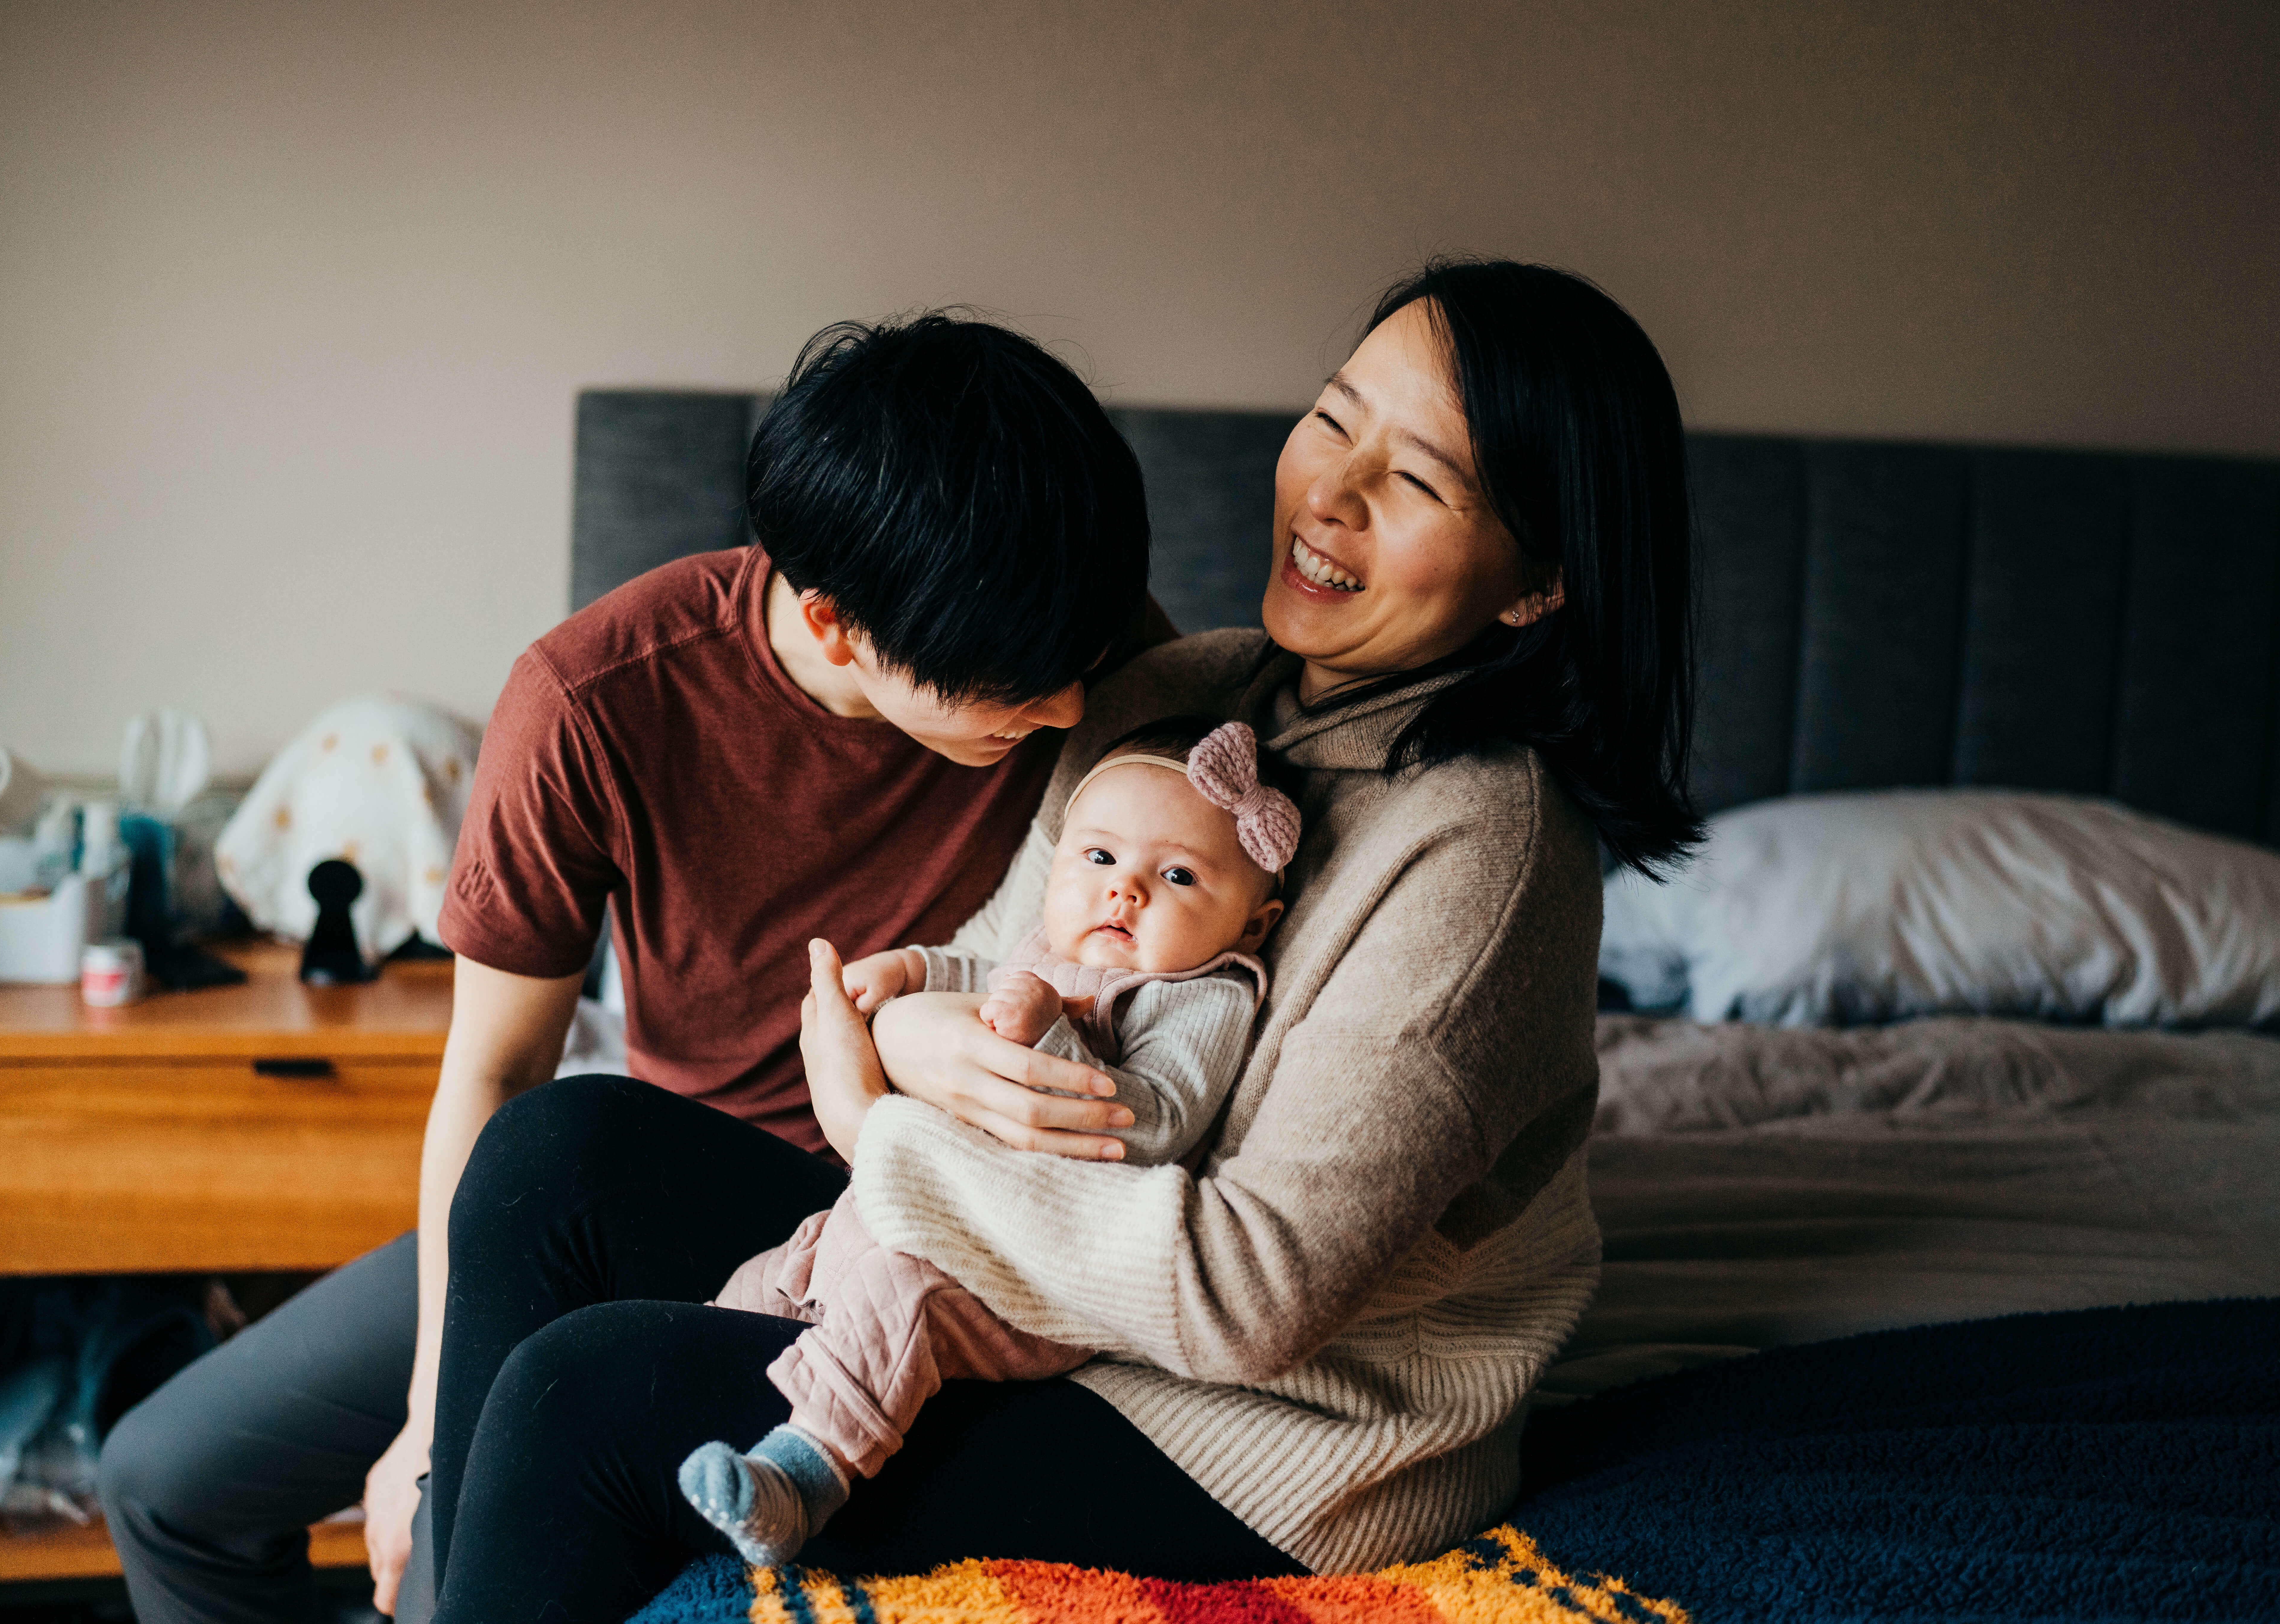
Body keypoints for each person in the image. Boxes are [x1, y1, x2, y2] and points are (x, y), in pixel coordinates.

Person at [421, 256, 1701, 1621]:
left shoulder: (1487, 850)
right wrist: (905, 1026)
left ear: (1537, 584)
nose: (1330, 494)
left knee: (586, 1398)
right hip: (1032, 1301)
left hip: (1255, 1433)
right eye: (1334, 419)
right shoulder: (1181, 691)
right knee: (557, 1152)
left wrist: (883, 1126)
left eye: (1423, 480)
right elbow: (977, 964)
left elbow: (1250, 1295)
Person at [96, 311, 1160, 1624]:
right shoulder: (594, 701)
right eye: (1015, 687)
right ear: (834, 622)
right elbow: (492, 1071)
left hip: (905, 1236)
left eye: (1081, 670)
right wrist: (430, 1411)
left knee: (455, 1561)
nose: (1066, 711)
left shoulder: (1089, 653)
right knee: (159, 1476)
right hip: (651, 1198)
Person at [679, 716, 1301, 1567]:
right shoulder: (1053, 946)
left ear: (1253, 925)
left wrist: (1052, 1035)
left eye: (1180, 875)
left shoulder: (1200, 997)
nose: (1125, 893)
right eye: (1100, 859)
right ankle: (692, 1413)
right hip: (923, 1212)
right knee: (775, 1275)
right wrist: (905, 974)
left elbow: (1154, 1124)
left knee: (900, 1299)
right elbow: (970, 971)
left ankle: (803, 1479)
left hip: (1030, 1275)